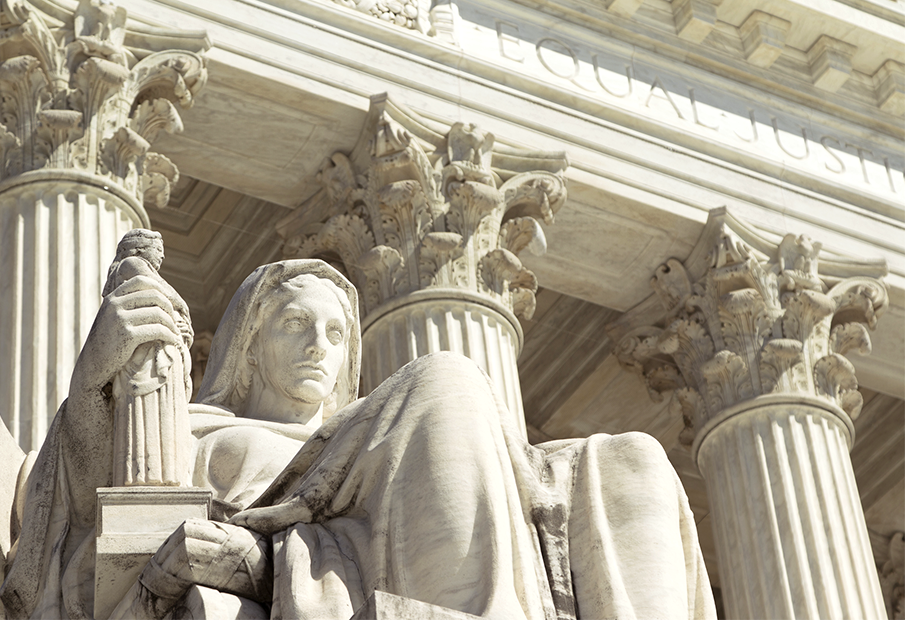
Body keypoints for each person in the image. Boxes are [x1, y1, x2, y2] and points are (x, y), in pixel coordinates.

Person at [1, 259, 716, 620]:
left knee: (632, 461)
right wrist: (97, 383)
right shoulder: (189, 426)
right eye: (294, 324)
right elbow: (62, 536)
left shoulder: (370, 434)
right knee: (444, 378)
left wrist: (267, 560)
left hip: (342, 547)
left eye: (337, 332)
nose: (320, 345)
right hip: (316, 546)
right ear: (247, 344)